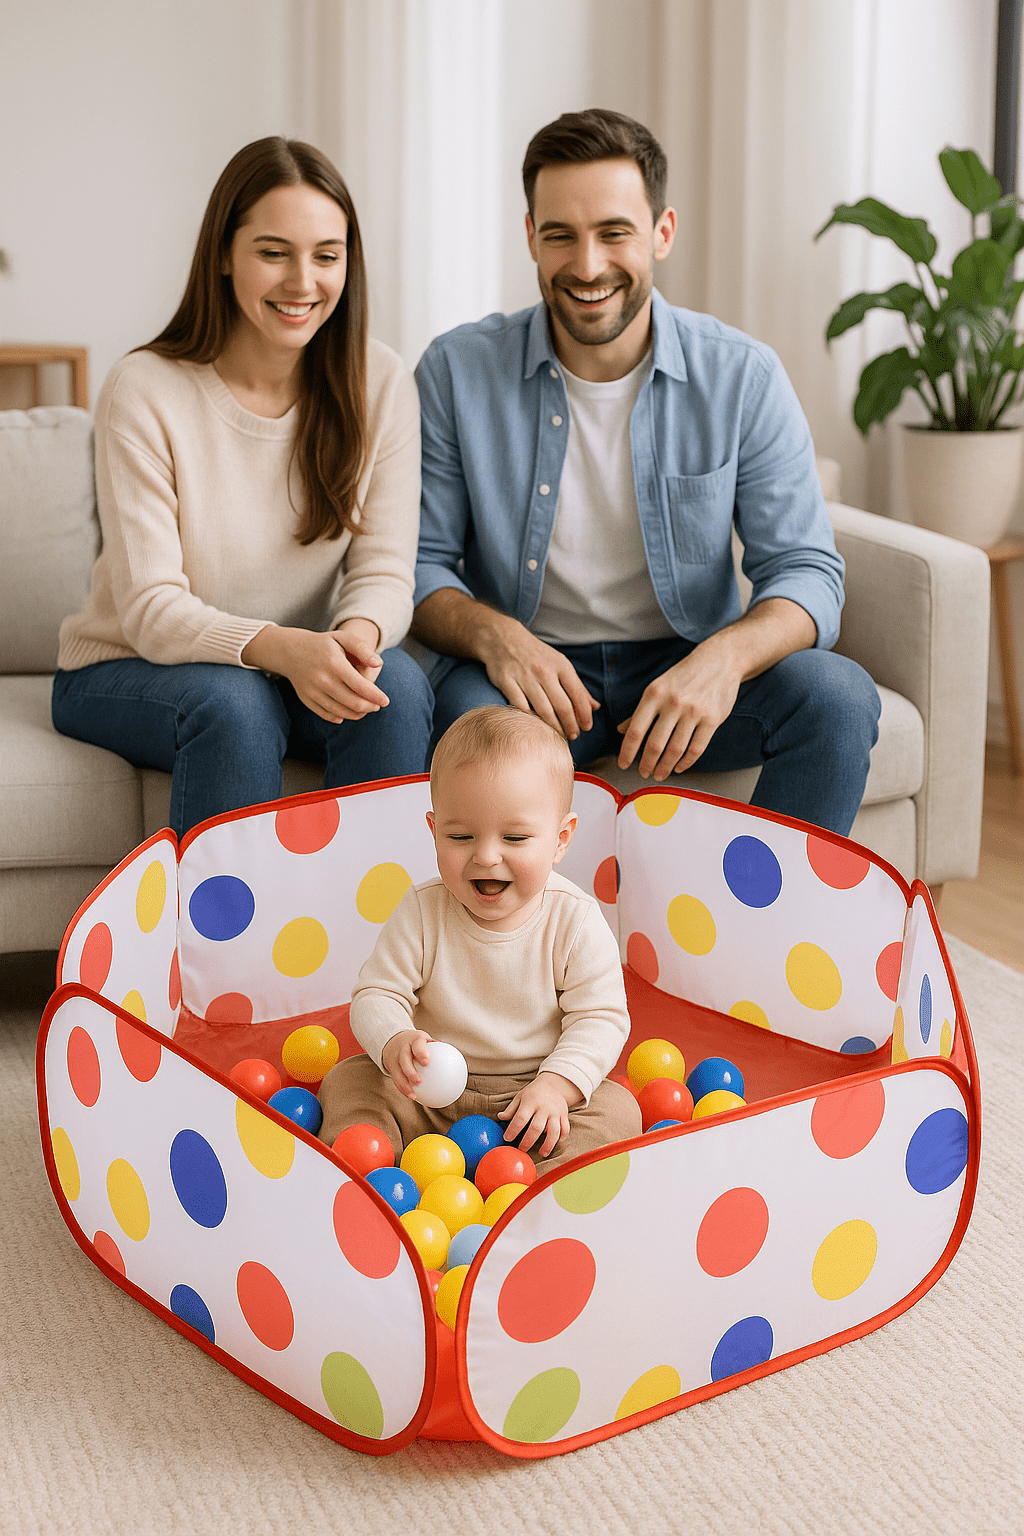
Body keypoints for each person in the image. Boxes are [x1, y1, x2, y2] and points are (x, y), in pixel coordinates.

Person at [409, 109, 880, 836]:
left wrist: (724, 660)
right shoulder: (455, 370)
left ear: (662, 232)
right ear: (530, 237)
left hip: (679, 665)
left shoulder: (742, 375)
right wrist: (496, 638)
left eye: (614, 233)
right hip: (524, 669)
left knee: (837, 697)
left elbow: (808, 571)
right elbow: (422, 565)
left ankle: (776, 939)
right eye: (561, 235)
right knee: (463, 724)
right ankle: (509, 948)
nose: (589, 265)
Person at [52, 137, 433, 839]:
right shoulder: (144, 389)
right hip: (128, 665)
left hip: (292, 664)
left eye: (326, 254)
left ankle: (374, 941)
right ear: (224, 255)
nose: (302, 281)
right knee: (236, 703)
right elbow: (151, 611)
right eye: (273, 251)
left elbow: (384, 572)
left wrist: (350, 643)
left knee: (396, 690)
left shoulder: (379, 382)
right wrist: (282, 649)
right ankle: (220, 949)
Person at [318, 706, 640, 1172]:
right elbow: (377, 993)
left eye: (514, 837)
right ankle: (371, 1179)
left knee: (616, 1110)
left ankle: (537, 1197)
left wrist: (556, 1085)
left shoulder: (575, 920)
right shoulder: (423, 910)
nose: (487, 857)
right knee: (350, 1080)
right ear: (434, 833)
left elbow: (602, 1019)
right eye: (462, 836)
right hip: (427, 1093)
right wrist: (395, 1040)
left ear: (560, 838)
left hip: (533, 1100)